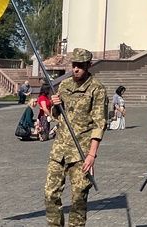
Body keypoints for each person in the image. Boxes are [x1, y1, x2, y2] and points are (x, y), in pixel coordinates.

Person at [44, 48, 107, 227]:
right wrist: (54, 105)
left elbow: (99, 124)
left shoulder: (96, 89)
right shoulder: (64, 86)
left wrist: (92, 154)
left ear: (88, 65)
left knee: (79, 198)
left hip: (81, 152)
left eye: (80, 66)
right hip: (60, 150)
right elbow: (57, 116)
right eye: (74, 65)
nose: (76, 69)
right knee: (50, 194)